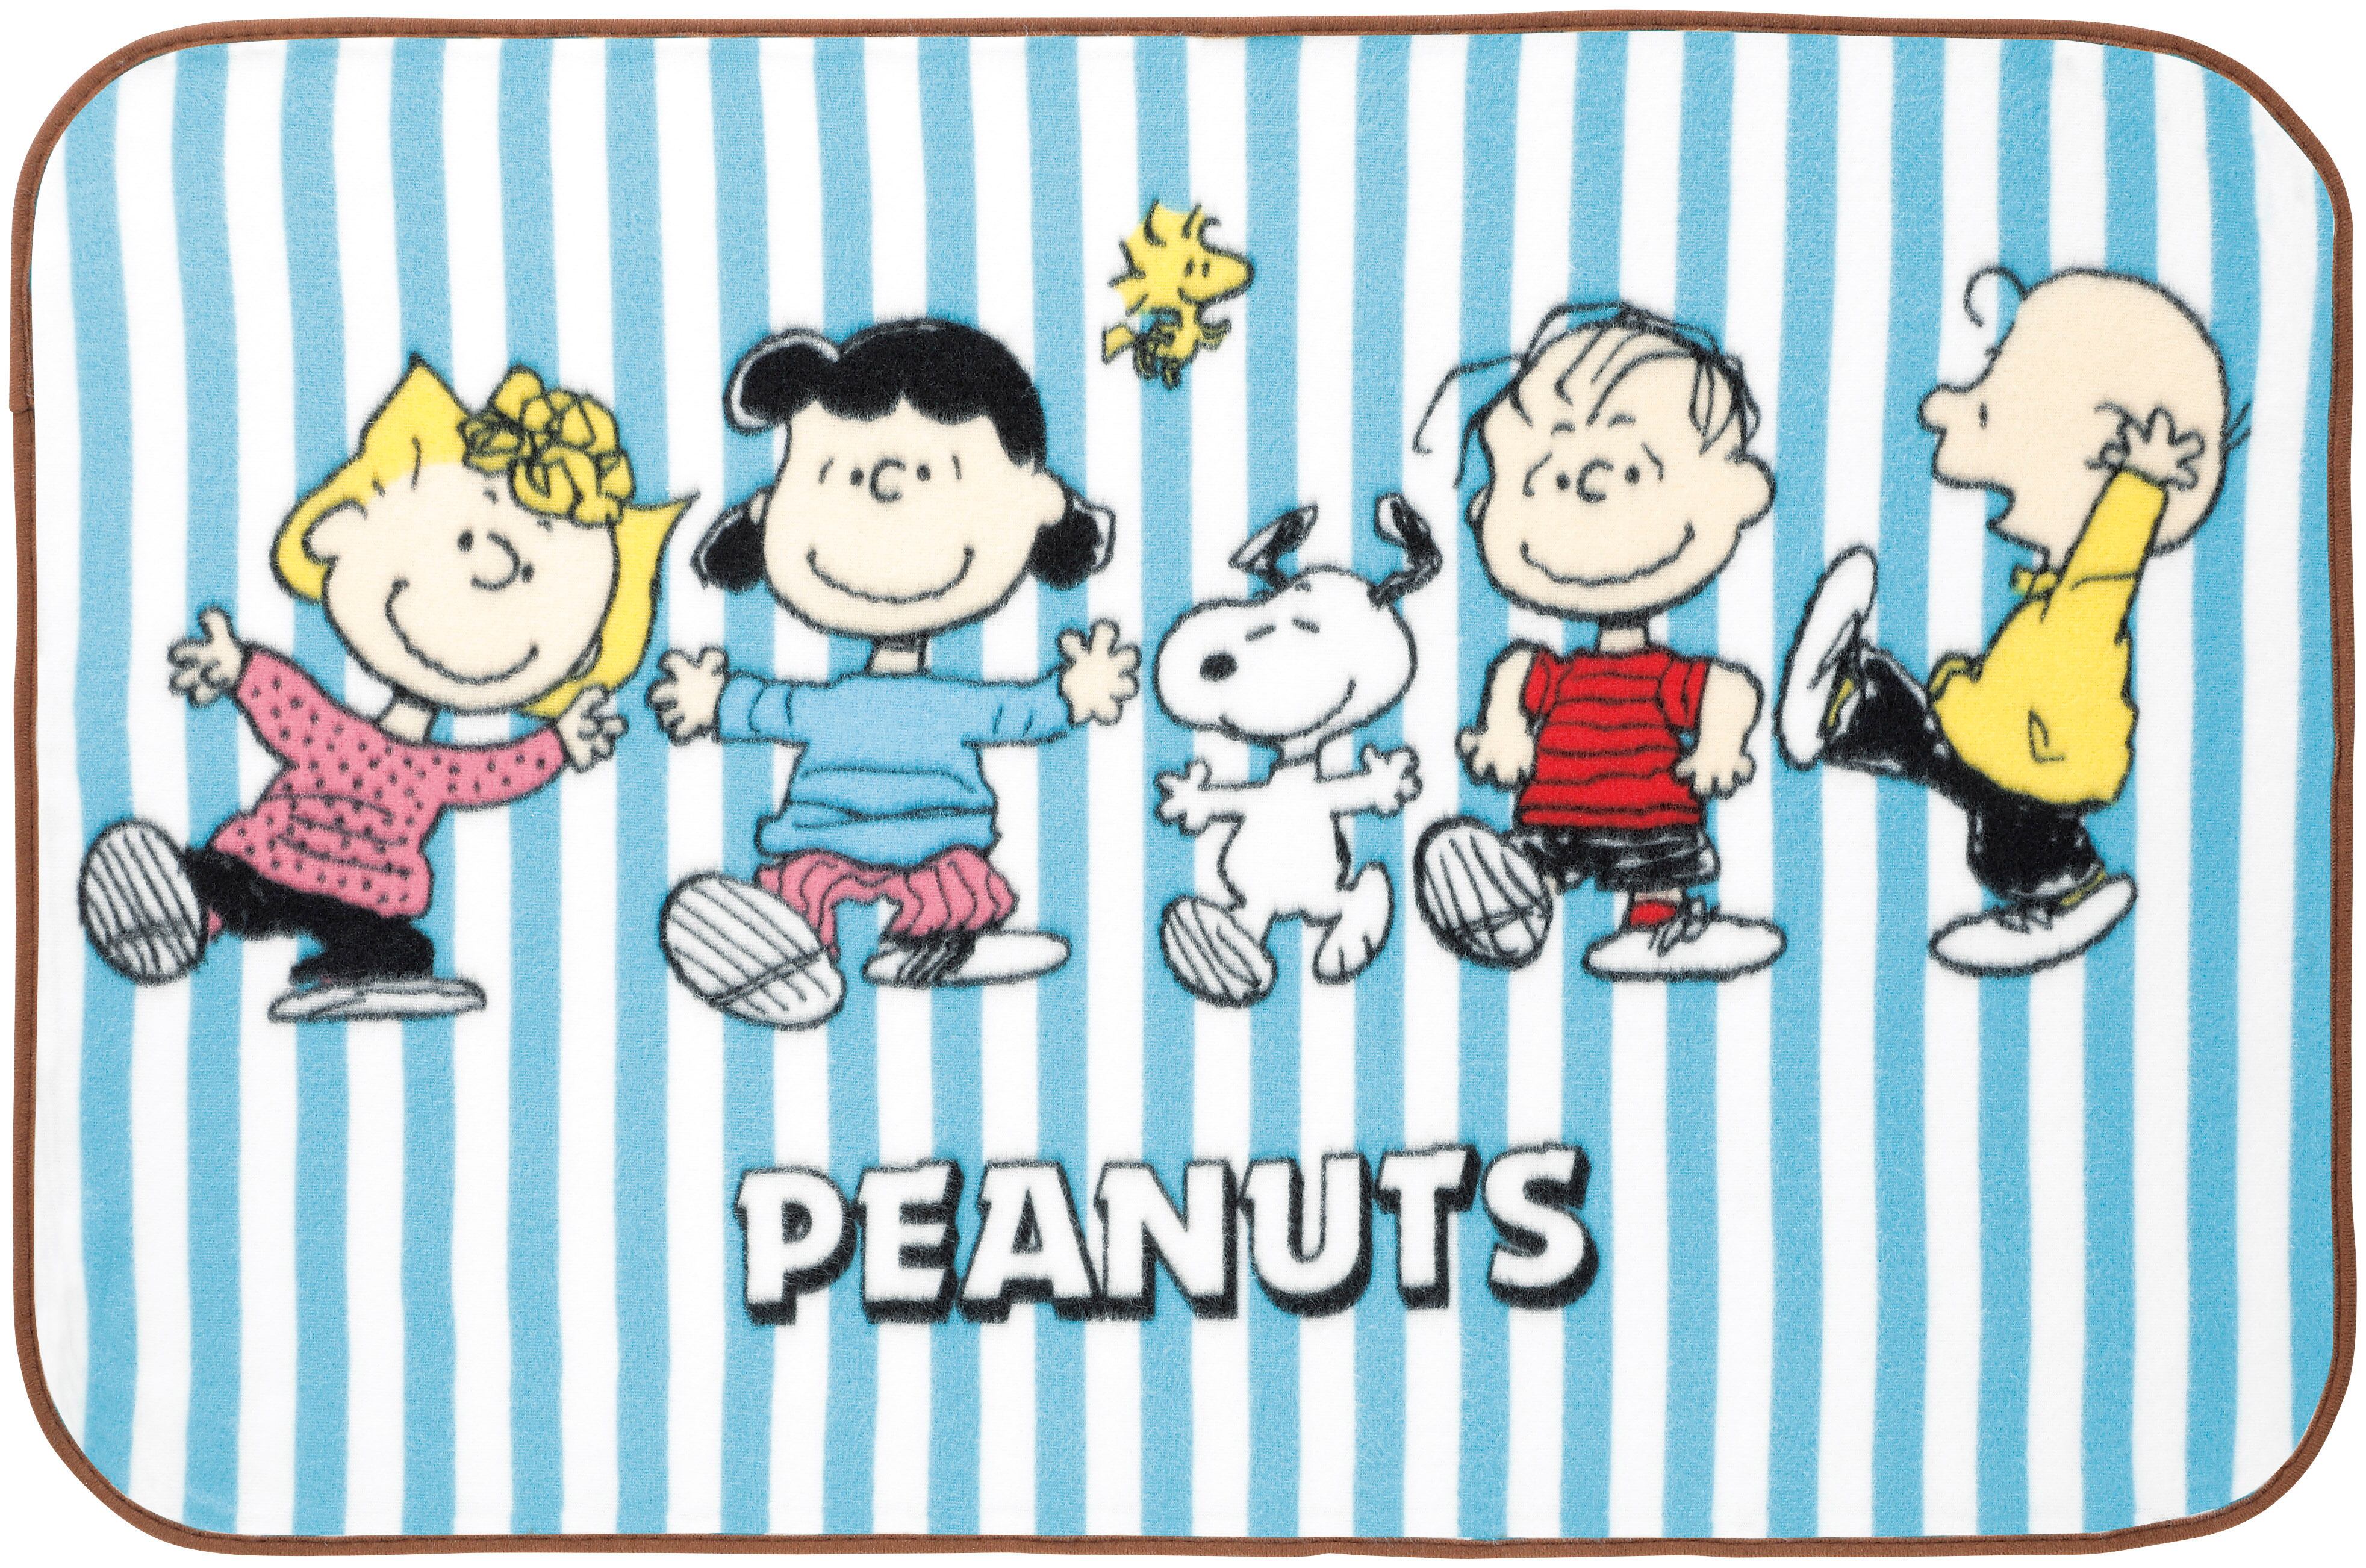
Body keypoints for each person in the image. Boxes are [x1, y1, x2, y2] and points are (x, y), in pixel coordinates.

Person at [78, 361, 681, 1021]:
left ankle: (361, 965)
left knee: (381, 936)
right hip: (274, 858)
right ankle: (183, 915)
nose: (488, 570)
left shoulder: (425, 767)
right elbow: (287, 703)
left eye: (529, 572)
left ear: (584, 657)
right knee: (225, 884)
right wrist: (238, 667)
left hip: (365, 894)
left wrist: (558, 743)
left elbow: (495, 771)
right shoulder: (342, 738)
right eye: (464, 538)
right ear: (342, 528)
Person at [650, 319, 1139, 1028]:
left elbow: (1018, 712)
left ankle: (934, 949)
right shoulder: (846, 706)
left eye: (934, 475)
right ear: (764, 513)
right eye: (839, 475)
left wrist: (1074, 691)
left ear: (1040, 504)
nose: (886, 495)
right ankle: (782, 958)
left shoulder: (944, 705)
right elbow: (768, 707)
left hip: (937, 838)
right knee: (803, 888)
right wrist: (712, 699)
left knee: (951, 888)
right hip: (822, 834)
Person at [1777, 269, 2232, 974]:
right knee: (1936, 753)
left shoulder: (2086, 598)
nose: (1936, 408)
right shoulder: (2060, 597)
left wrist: (2139, 484)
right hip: (2012, 748)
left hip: (2036, 767)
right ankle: (1848, 699)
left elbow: (2110, 558)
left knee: (1982, 804)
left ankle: (2061, 897)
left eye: (1987, 409)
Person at [1413, 303, 1785, 982]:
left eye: (1631, 473)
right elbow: (1516, 673)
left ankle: (1654, 925)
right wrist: (1504, 731)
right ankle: (1503, 894)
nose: (1590, 493)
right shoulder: (1558, 673)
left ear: (1732, 491)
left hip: (1651, 810)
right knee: (1535, 856)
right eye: (1552, 478)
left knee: (1656, 869)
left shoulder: (1662, 675)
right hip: (1553, 808)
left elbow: (1727, 690)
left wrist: (1719, 745)